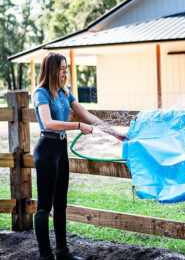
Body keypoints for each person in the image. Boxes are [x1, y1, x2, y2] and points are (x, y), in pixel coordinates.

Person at [33, 52, 129, 260]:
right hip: (47, 149)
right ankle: (45, 256)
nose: (65, 72)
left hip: (60, 149)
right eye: (61, 68)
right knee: (44, 207)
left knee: (60, 204)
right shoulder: (41, 93)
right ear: (51, 70)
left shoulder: (65, 93)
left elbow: (88, 115)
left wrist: (115, 133)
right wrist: (77, 125)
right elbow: (48, 123)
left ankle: (62, 253)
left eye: (66, 68)